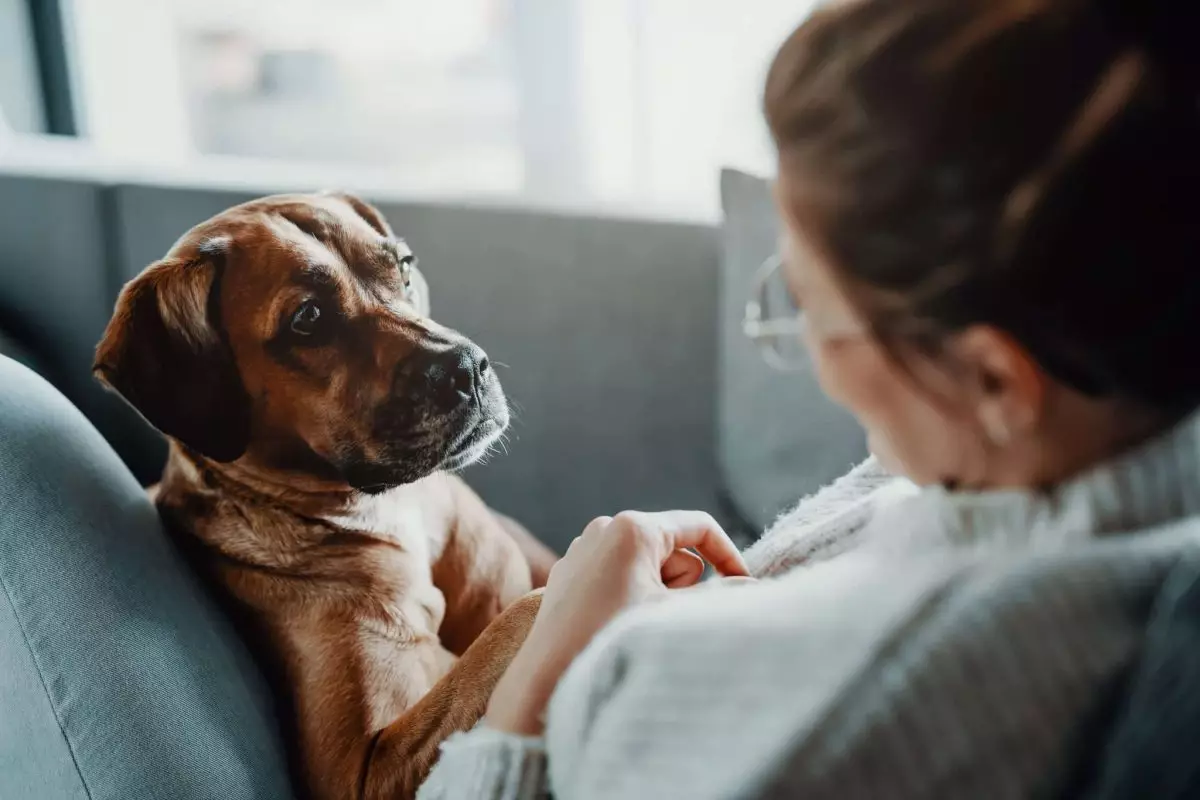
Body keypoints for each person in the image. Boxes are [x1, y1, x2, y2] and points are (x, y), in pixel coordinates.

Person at [419, 0, 1200, 797]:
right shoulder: (1097, 444)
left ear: (996, 382)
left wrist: (538, 683)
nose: (812, 361)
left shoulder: (824, 716)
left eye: (810, 309)